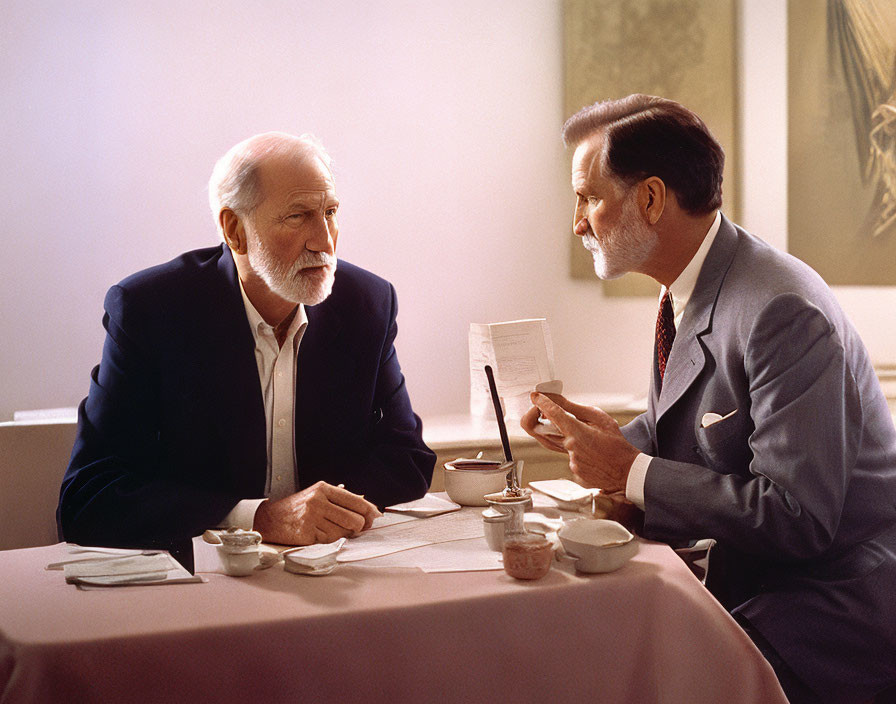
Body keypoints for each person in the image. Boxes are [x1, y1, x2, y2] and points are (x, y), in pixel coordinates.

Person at [521, 95, 896, 703]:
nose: (578, 222)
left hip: (833, 608)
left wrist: (630, 471)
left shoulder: (780, 309)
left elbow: (798, 518)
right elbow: (713, 426)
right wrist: (616, 442)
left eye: (589, 196)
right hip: (761, 582)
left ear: (649, 199)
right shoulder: (690, 285)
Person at [58, 132, 435, 568]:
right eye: (298, 216)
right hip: (200, 581)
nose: (325, 242)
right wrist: (259, 517)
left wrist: (322, 513)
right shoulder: (150, 310)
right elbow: (88, 498)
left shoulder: (366, 302)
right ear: (235, 230)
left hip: (330, 572)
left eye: (330, 213)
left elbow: (407, 460)